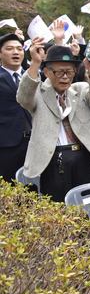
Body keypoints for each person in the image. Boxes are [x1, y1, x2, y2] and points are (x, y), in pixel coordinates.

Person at [17, 41, 90, 201]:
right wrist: (35, 63)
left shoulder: (79, 90)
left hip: (82, 156)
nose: (65, 77)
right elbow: (24, 98)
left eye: (69, 72)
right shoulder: (37, 92)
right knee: (59, 208)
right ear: (46, 72)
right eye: (59, 72)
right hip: (52, 160)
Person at [0, 33, 32, 182]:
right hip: (6, 145)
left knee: (35, 189)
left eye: (19, 49)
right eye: (10, 49)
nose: (15, 52)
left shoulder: (31, 77)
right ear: (0, 53)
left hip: (33, 142)